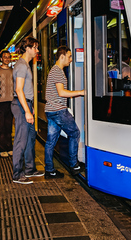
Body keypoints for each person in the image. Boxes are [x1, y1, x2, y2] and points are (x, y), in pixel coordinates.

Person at [44, 46, 85, 178]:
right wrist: (81, 92)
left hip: (51, 111)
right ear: (62, 57)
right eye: (69, 56)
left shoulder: (54, 70)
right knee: (74, 133)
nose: (71, 59)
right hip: (58, 111)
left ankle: (49, 170)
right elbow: (61, 93)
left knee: (50, 142)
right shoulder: (57, 71)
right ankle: (74, 165)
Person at [11, 37, 43, 184]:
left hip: (26, 104)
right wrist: (27, 110)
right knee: (21, 139)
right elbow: (18, 89)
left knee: (30, 137)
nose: (37, 50)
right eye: (35, 47)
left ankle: (30, 169)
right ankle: (17, 174)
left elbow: (26, 89)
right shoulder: (22, 66)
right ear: (28, 48)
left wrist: (31, 107)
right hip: (20, 105)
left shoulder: (26, 65)